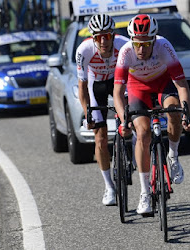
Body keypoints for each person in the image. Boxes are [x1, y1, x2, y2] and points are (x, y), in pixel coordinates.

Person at [113, 14, 190, 215]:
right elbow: (117, 92)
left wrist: (187, 115)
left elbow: (182, 85)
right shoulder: (125, 52)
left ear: (154, 40)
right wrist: (124, 120)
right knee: (142, 133)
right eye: (137, 44)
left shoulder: (164, 47)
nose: (141, 50)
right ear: (132, 41)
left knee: (174, 110)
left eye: (146, 44)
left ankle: (173, 156)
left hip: (162, 84)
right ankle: (145, 192)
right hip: (137, 87)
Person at [76, 14, 128, 206]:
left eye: (107, 35)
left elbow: (134, 76)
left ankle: (133, 150)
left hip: (118, 82)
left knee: (133, 119)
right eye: (98, 37)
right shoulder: (84, 50)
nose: (103, 41)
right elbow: (82, 87)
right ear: (93, 38)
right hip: (95, 84)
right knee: (100, 136)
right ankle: (109, 187)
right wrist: (88, 112)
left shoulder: (124, 45)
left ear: (113, 35)